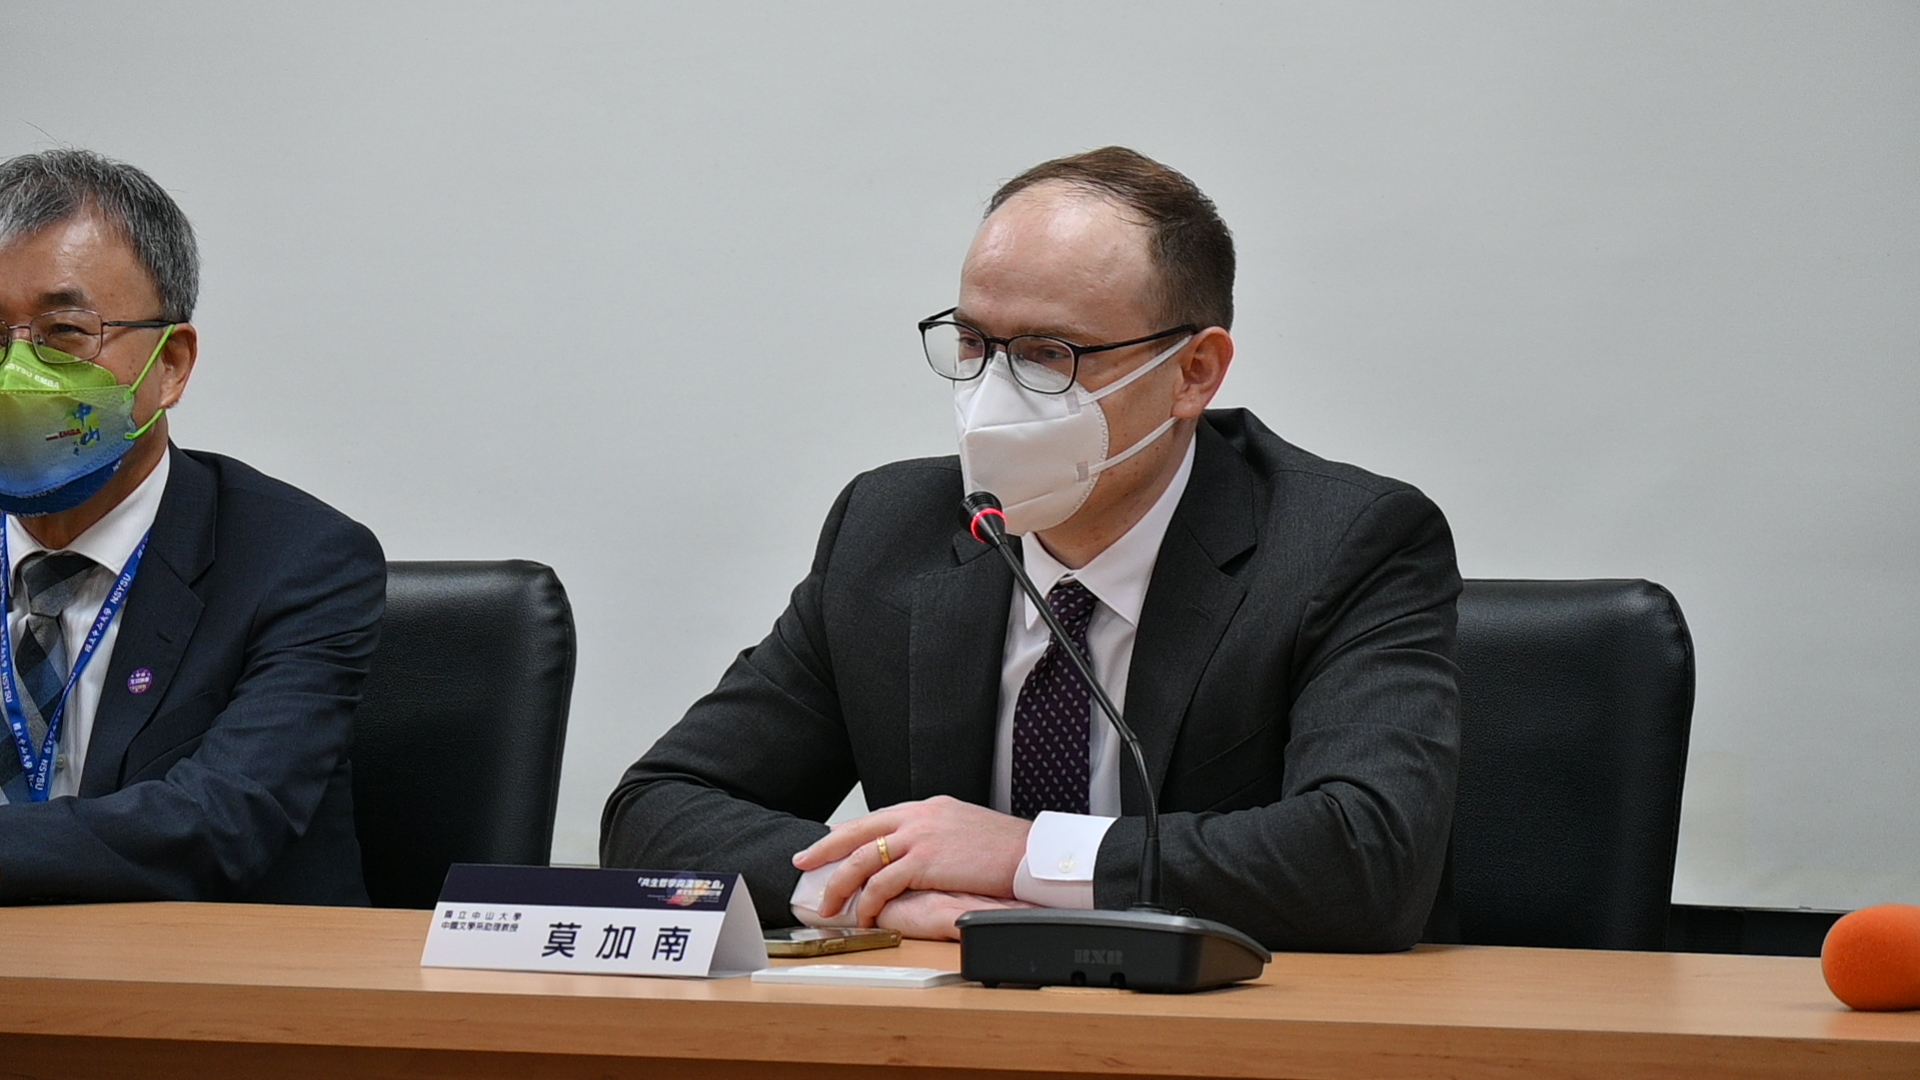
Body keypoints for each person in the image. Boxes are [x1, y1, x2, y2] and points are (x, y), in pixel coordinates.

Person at [601, 147, 1460, 950]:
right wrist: (877, 889)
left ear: (1195, 372)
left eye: (1049, 354)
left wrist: (1025, 858)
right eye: (974, 343)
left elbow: (1368, 857)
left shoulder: (1345, 543)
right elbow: (657, 810)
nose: (993, 394)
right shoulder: (889, 528)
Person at [0, 149, 380, 904]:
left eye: (64, 333)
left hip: (215, 994)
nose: (18, 374)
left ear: (171, 364)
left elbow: (215, 823)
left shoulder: (301, 561)